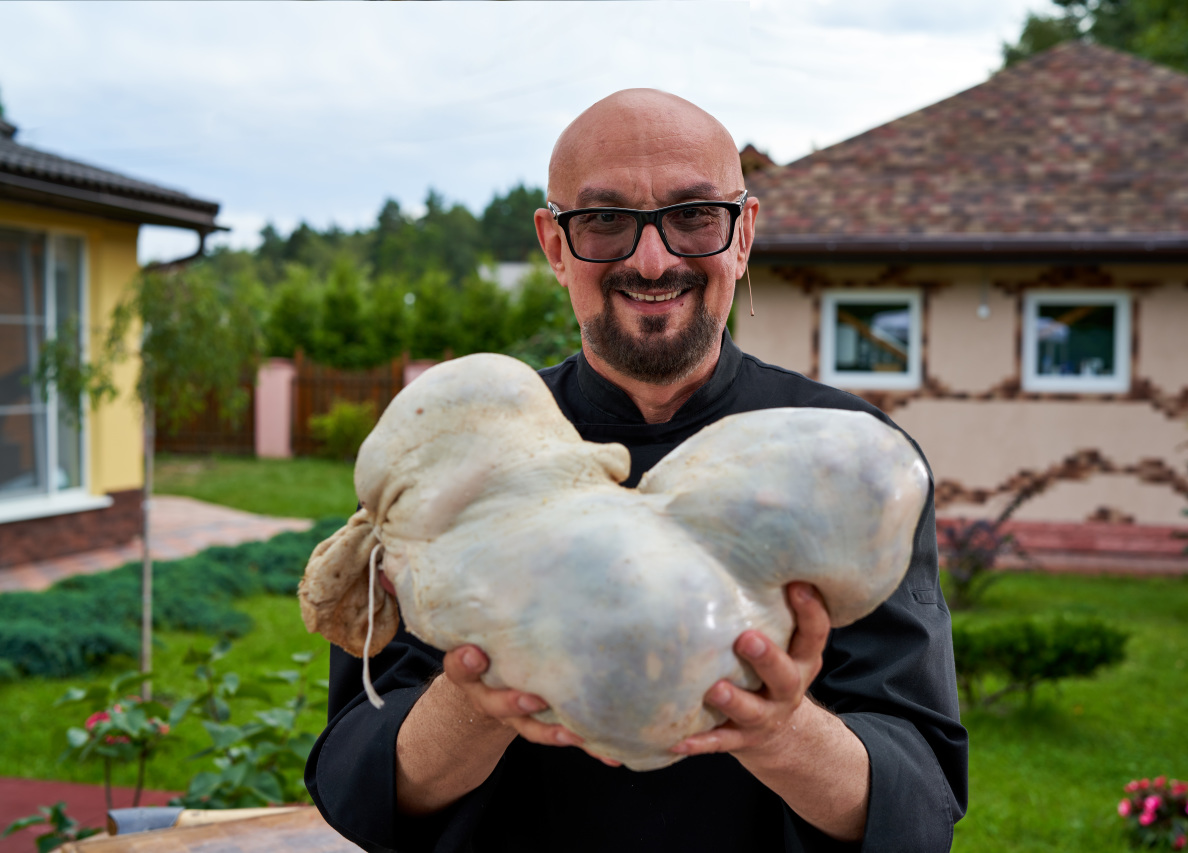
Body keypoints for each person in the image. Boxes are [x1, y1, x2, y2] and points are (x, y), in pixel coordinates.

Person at [305, 89, 967, 852]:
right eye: (605, 221)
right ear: (555, 245)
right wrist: (474, 701)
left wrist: (779, 731)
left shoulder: (841, 470)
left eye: (693, 215)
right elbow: (358, 786)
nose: (653, 261)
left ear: (743, 234)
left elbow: (919, 803)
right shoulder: (468, 446)